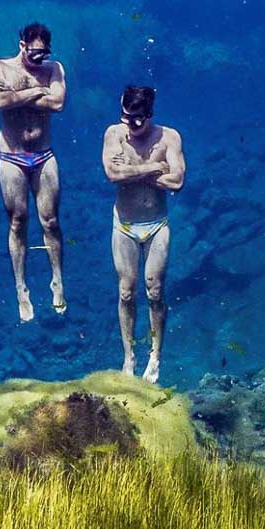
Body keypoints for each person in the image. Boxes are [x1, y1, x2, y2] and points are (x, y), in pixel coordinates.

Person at [0, 22, 67, 322]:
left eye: (43, 53)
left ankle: (57, 281)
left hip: (44, 155)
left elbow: (57, 103)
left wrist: (21, 94)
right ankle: (22, 289)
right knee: (18, 221)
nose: (39, 59)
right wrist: (36, 90)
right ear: (21, 45)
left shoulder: (53, 67)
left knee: (51, 221)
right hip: (12, 156)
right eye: (34, 53)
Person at [103, 84, 184, 382]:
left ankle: (155, 356)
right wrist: (154, 167)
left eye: (139, 118)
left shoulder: (169, 137)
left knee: (155, 291)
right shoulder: (113, 134)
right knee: (126, 291)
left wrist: (134, 170)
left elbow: (177, 182)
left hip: (156, 224)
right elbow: (113, 175)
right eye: (127, 116)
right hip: (123, 225)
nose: (132, 124)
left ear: (150, 114)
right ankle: (129, 356)